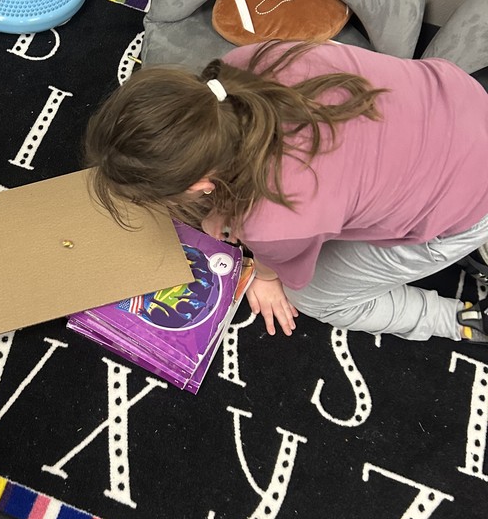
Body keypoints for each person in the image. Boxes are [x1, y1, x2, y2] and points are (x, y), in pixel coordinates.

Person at [84, 39, 488, 343]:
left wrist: (265, 275)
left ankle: (455, 322)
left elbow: (288, 257)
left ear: (202, 186)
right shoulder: (244, 62)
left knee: (315, 299)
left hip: (468, 207)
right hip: (464, 100)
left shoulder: (272, 226)